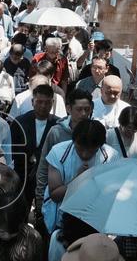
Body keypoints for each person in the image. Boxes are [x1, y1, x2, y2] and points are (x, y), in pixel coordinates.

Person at [43, 120, 116, 232]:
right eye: (80, 149)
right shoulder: (58, 153)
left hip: (94, 222)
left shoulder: (111, 158)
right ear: (74, 141)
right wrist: (78, 180)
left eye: (92, 151)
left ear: (100, 146)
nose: (85, 154)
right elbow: (54, 195)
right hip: (61, 222)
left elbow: (112, 196)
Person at [35, 89, 94, 229]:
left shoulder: (95, 132)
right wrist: (39, 201)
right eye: (79, 109)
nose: (83, 114)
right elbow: (43, 168)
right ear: (69, 108)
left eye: (87, 109)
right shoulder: (57, 133)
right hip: (57, 203)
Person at [11, 83, 60, 202]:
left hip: (48, 177)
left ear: (52, 103)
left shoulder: (58, 124)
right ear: (33, 102)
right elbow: (14, 151)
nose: (43, 106)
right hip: (23, 176)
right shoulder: (20, 122)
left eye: (47, 102)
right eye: (39, 102)